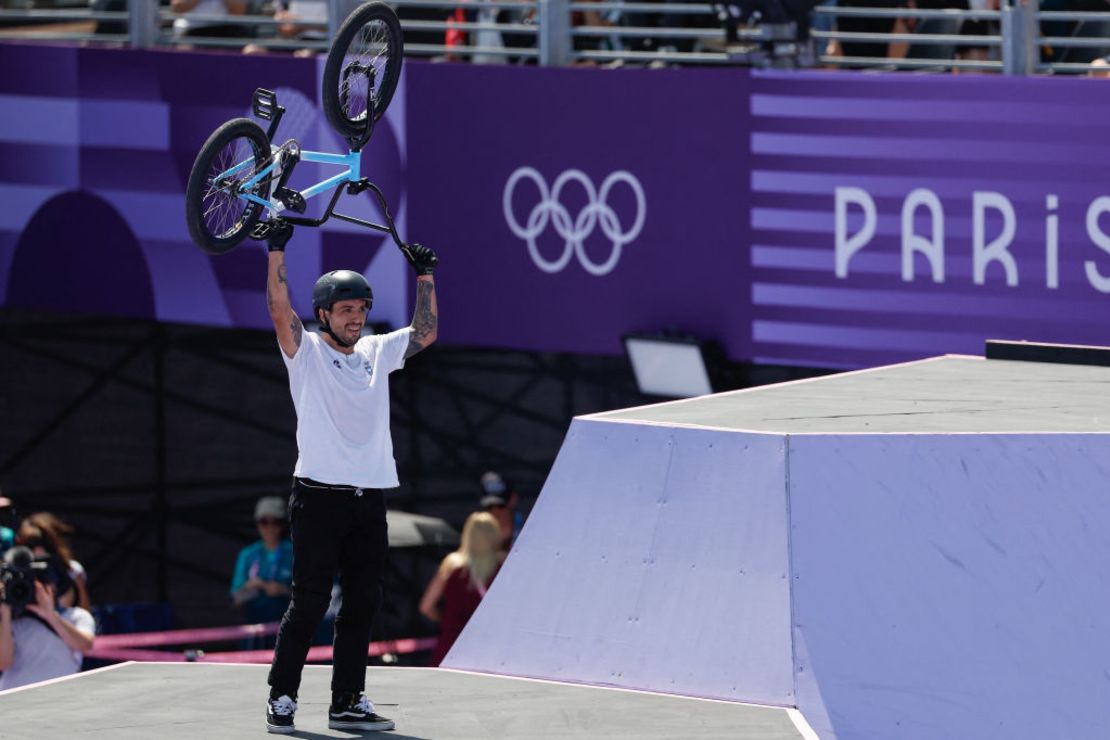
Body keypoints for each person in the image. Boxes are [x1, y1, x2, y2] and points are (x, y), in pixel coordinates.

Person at [262, 220, 438, 734]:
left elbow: (425, 333)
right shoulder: (307, 352)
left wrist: (424, 277)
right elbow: (278, 310)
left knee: (363, 601)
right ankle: (282, 698)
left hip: (368, 498)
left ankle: (347, 701)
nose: (356, 319)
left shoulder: (376, 352)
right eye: (345, 310)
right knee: (310, 600)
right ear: (323, 315)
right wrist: (276, 246)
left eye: (360, 310)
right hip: (317, 498)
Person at [0, 546, 96, 691]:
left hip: (62, 700)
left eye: (39, 583)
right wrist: (5, 612)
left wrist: (50, 615)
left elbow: (85, 645)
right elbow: (4, 662)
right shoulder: (11, 623)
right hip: (15, 704)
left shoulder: (77, 616)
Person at [419, 511, 503, 666]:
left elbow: (426, 607)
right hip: (490, 647)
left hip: (452, 645)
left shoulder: (452, 565)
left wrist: (445, 618)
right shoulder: (503, 565)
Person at [231, 497, 294, 645]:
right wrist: (251, 587)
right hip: (254, 634)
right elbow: (234, 599)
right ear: (258, 523)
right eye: (264, 522)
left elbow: (313, 595)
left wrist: (283, 590)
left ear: (282, 524)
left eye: (275, 522)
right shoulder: (248, 554)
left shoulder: (294, 552)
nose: (270, 528)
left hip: (287, 632)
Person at [16, 512, 91, 611]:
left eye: (42, 543)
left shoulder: (72, 570)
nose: (38, 550)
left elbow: (84, 611)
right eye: (30, 545)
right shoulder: (16, 571)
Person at [479, 470, 521, 552]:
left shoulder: (531, 530)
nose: (495, 512)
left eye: (501, 505)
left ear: (513, 499)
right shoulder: (476, 538)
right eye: (489, 506)